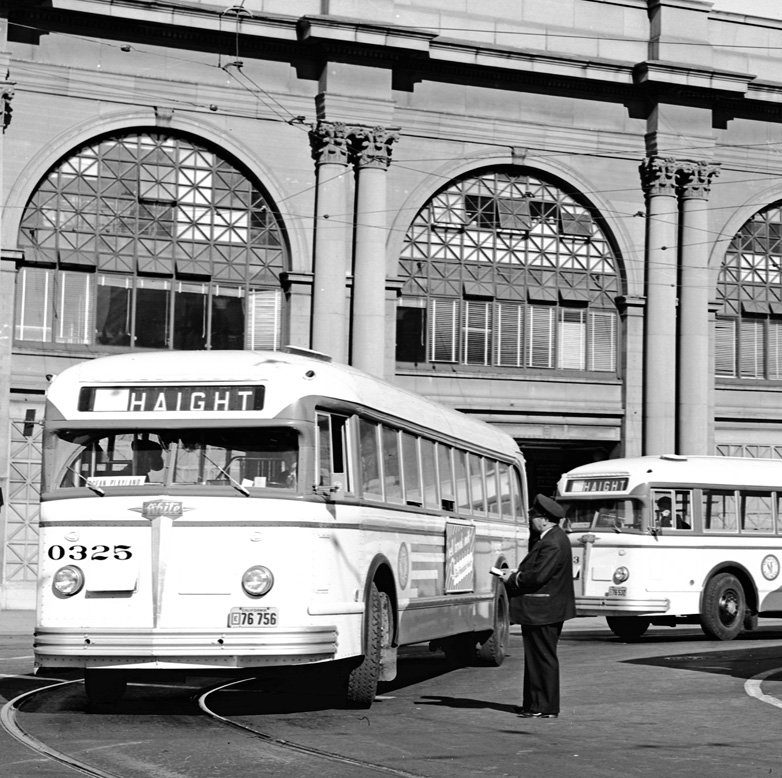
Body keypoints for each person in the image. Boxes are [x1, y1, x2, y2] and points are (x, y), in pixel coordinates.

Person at [500, 493, 576, 719]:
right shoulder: (553, 538)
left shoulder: (551, 542)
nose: (531, 520)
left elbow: (538, 576)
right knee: (538, 658)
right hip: (545, 608)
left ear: (543, 519)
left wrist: (511, 578)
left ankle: (545, 706)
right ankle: (534, 704)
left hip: (543, 609)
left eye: (534, 516)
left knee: (542, 657)